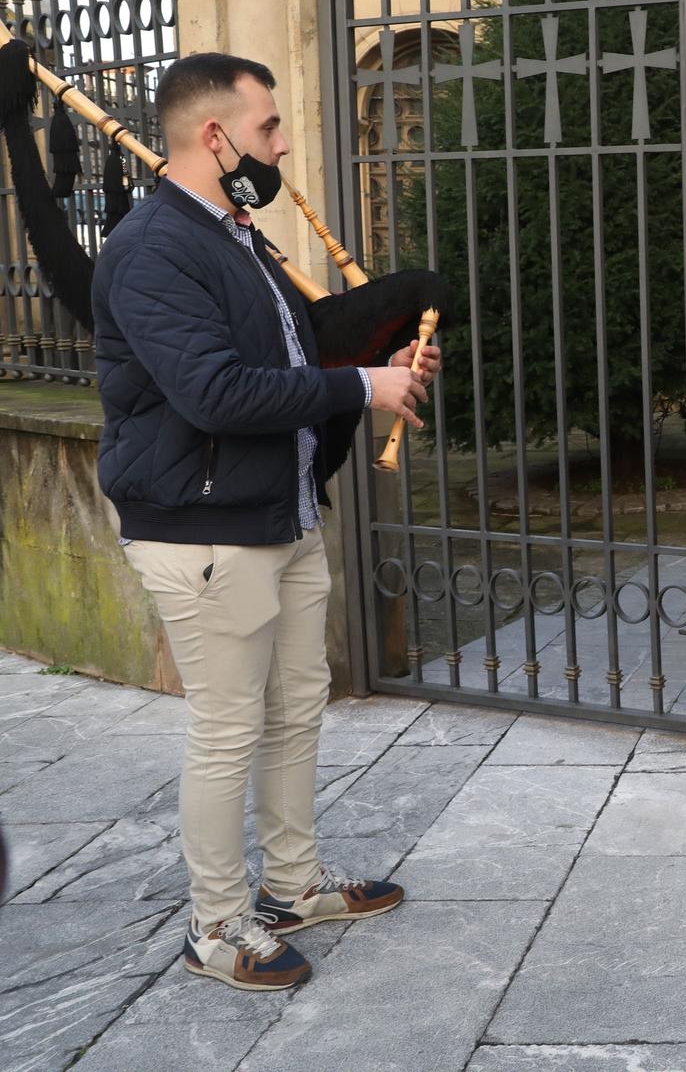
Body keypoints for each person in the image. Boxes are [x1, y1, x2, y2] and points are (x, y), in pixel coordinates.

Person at [94, 52, 439, 992]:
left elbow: (300, 352)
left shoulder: (235, 233)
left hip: (278, 513)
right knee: (228, 725)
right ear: (215, 137)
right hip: (203, 532)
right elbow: (212, 390)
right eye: (269, 130)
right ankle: (215, 924)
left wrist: (382, 358)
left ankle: (291, 886)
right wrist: (361, 383)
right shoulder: (153, 246)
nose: (281, 146)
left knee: (292, 709)